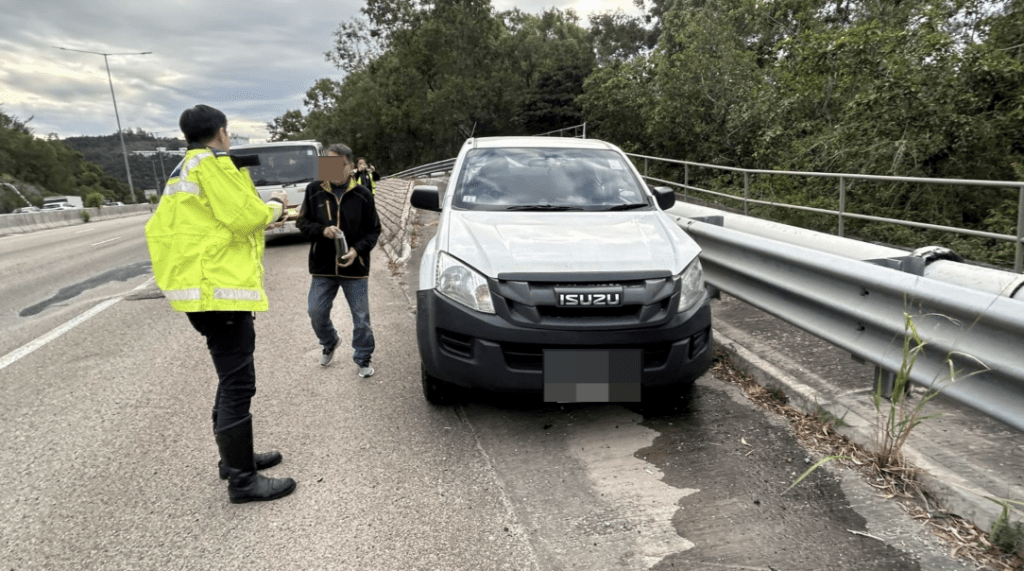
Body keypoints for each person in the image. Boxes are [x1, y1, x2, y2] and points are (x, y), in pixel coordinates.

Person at [144, 104, 297, 504]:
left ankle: (233, 461)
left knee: (229, 377)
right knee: (238, 383)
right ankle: (242, 482)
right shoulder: (212, 166)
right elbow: (247, 217)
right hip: (218, 291)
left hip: (198, 291)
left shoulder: (182, 170)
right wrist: (278, 205)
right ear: (222, 133)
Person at [297, 144, 382, 378]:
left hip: (355, 268)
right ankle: (329, 340)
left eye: (338, 165)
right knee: (316, 312)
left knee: (361, 319)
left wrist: (356, 250)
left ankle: (363, 357)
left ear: (351, 167)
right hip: (323, 267)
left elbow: (374, 231)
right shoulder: (314, 190)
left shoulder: (363, 195)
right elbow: (302, 224)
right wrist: (323, 231)